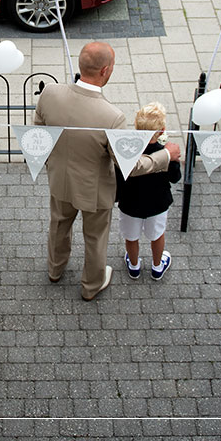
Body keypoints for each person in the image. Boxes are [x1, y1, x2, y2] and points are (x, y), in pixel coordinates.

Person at [35, 42, 180, 301]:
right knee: (95, 238)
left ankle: (55, 270)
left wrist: (52, 165)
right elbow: (131, 165)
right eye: (112, 66)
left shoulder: (49, 93)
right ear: (105, 71)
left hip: (59, 181)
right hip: (94, 192)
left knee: (58, 226)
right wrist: (165, 155)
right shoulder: (111, 116)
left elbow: (38, 134)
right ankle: (91, 286)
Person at [115, 103, 180, 281]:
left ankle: (134, 266)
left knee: (131, 236)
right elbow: (175, 178)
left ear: (136, 127)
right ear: (162, 130)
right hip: (157, 204)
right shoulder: (167, 153)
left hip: (130, 204)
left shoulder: (127, 152)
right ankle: (157, 267)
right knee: (157, 235)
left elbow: (118, 179)